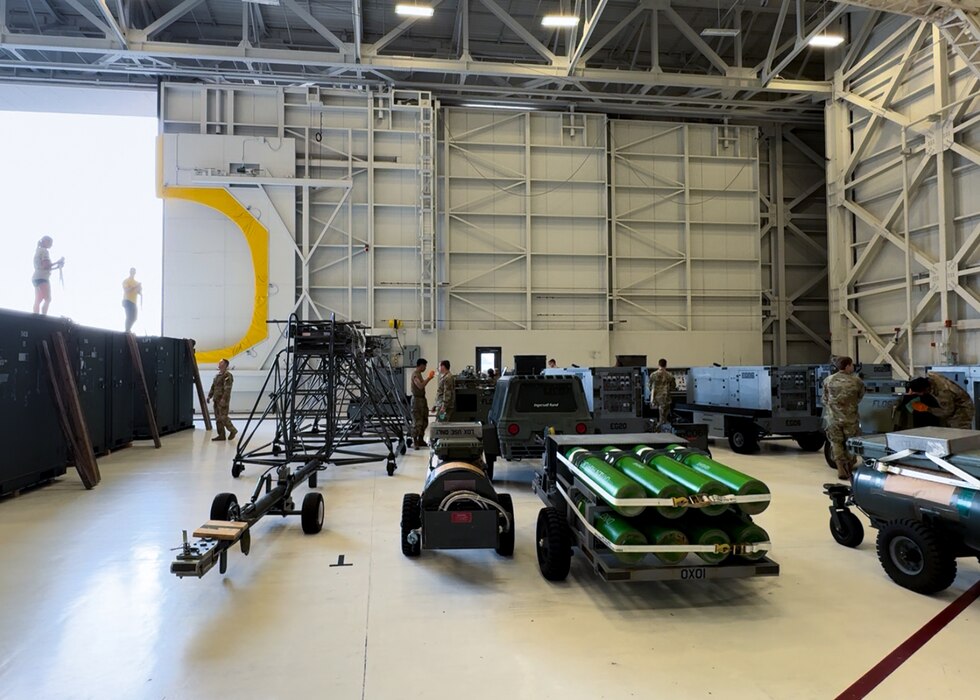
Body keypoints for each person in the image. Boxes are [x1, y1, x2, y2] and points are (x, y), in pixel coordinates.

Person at [822, 356, 865, 480]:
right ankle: (849, 467)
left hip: (833, 418)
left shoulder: (828, 380)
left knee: (836, 442)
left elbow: (825, 399)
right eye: (851, 365)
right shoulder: (856, 381)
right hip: (850, 418)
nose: (852, 367)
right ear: (847, 366)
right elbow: (859, 397)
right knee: (850, 442)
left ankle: (840, 468)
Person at [897, 374, 974, 430]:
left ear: (923, 391)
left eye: (916, 393)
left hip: (962, 408)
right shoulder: (930, 378)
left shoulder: (942, 393)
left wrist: (927, 408)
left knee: (958, 434)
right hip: (951, 402)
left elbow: (947, 412)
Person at [32, 236, 65, 315]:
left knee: (38, 300)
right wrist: (58, 262)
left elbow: (44, 268)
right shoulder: (44, 251)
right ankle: (43, 316)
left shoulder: (38, 251)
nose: (51, 245)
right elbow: (45, 266)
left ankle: (35, 316)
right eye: (50, 242)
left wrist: (57, 266)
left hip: (36, 277)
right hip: (42, 278)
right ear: (45, 242)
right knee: (48, 299)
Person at [207, 359, 237, 442]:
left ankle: (233, 430)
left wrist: (224, 399)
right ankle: (221, 435)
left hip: (223, 400)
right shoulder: (217, 375)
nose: (219, 363)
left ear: (225, 365)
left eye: (221, 362)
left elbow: (228, 389)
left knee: (223, 417)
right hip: (216, 400)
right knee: (218, 418)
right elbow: (213, 387)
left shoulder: (227, 375)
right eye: (219, 362)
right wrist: (209, 396)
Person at [410, 358, 436, 449]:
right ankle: (415, 441)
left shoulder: (419, 374)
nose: (425, 368)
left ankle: (421, 439)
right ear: (421, 365)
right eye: (425, 366)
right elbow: (420, 386)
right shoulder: (415, 375)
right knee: (417, 422)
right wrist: (429, 378)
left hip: (422, 400)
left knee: (424, 420)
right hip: (416, 401)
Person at [649, 358, 677, 431]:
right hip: (665, 398)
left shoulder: (653, 375)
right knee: (664, 417)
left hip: (655, 399)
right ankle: (662, 429)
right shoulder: (669, 375)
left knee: (658, 417)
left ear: (658, 364)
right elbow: (673, 387)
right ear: (666, 365)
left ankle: (657, 429)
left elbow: (649, 386)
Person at [122, 268, 143, 333]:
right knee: (129, 316)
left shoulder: (135, 282)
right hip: (127, 300)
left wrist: (139, 288)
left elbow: (138, 292)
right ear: (130, 272)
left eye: (134, 271)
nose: (132, 273)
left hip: (133, 302)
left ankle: (128, 329)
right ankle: (127, 330)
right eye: (132, 271)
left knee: (134, 318)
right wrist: (135, 286)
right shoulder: (126, 281)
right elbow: (126, 290)